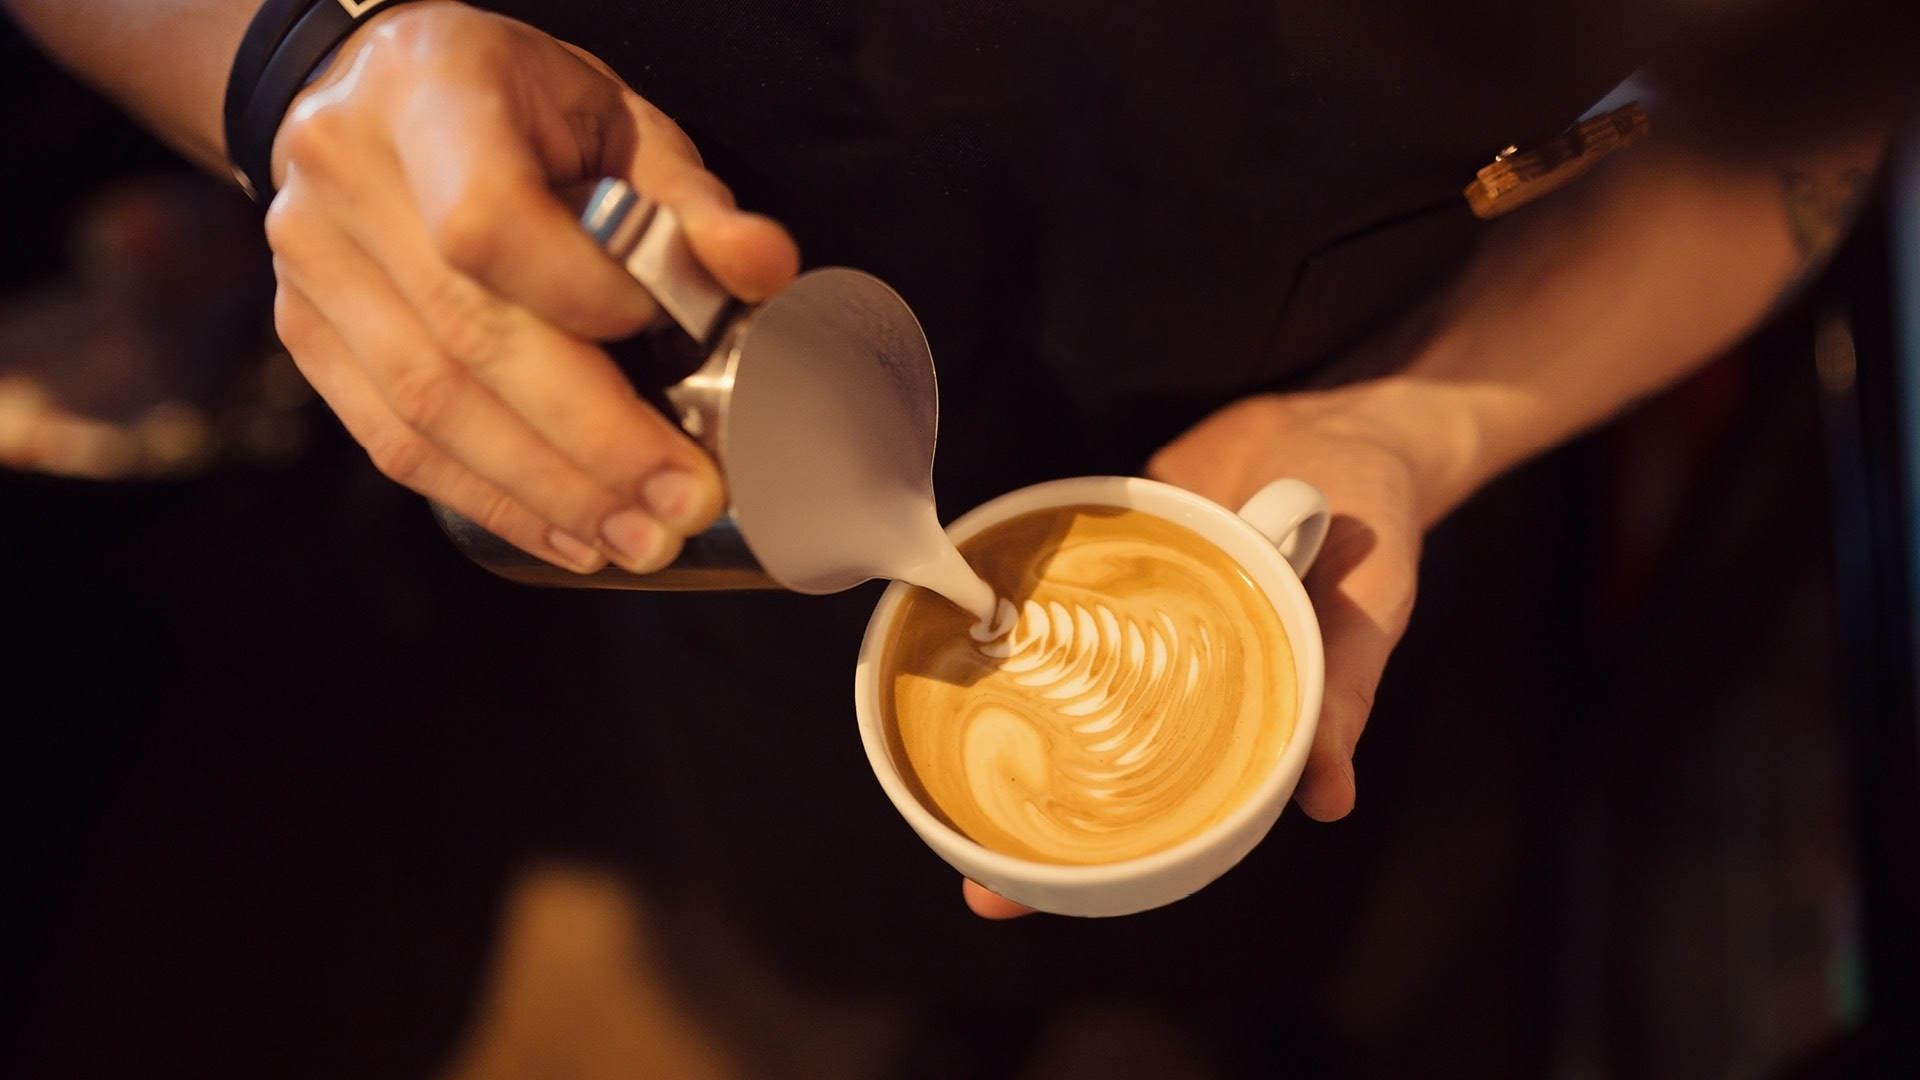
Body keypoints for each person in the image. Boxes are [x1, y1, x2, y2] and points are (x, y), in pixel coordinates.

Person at [2, 0, 1910, 1069]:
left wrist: (1417, 417)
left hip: (1310, 495)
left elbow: (1784, 153)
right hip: (727, 473)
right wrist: (287, 67)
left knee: (1268, 896)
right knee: (840, 883)